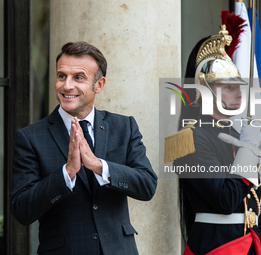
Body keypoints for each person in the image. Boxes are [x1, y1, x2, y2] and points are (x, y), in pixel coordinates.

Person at [11, 41, 158, 255]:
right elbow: (22, 209)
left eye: (78, 77)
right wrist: (67, 173)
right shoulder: (30, 137)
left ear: (98, 85)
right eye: (62, 76)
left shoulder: (124, 127)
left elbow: (147, 185)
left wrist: (99, 166)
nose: (67, 85)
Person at [170, 26, 261, 255]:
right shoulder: (186, 139)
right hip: (216, 246)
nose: (238, 93)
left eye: (238, 87)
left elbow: (256, 202)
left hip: (250, 244)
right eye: (229, 87)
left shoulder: (237, 135)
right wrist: (247, 148)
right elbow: (225, 199)